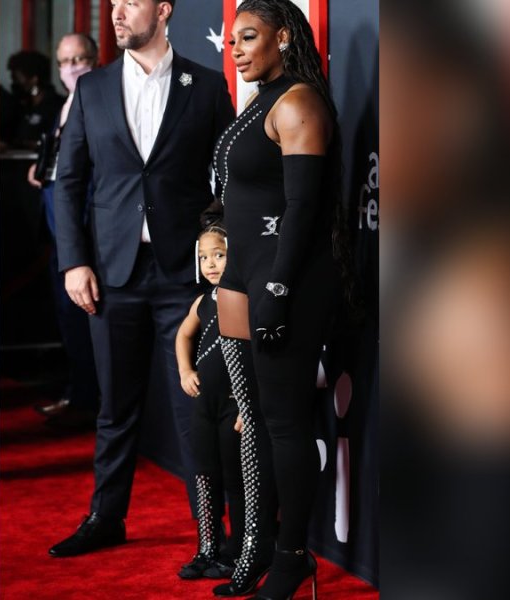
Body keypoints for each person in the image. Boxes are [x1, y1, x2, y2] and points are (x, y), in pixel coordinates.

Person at [47, 0, 235, 558]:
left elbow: (225, 175)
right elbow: (70, 182)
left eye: (131, 2)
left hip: (184, 277)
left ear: (164, 10)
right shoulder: (94, 89)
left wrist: (215, 247)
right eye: (113, 4)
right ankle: (107, 517)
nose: (117, 13)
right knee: (115, 407)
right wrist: (74, 261)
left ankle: (211, 534)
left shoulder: (204, 86)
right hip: (113, 274)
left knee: (194, 408)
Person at [212, 1, 344, 598]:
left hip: (282, 282)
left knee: (286, 426)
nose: (235, 49)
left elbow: (304, 211)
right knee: (255, 423)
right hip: (242, 276)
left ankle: (293, 557)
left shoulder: (297, 101)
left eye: (249, 37)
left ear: (283, 37)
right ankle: (258, 543)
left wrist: (279, 289)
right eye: (233, 39)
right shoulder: (259, 100)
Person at [27, 33, 101, 421]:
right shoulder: (64, 104)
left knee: (84, 321)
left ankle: (87, 400)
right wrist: (41, 170)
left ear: (96, 58)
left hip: (86, 232)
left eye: (79, 59)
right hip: (58, 231)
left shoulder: (102, 99)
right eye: (64, 61)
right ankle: (78, 394)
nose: (71, 68)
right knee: (67, 321)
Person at [175, 221, 244, 580]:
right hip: (204, 406)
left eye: (219, 254)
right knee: (205, 475)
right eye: (204, 257)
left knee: (236, 478)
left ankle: (238, 549)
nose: (211, 263)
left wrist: (248, 406)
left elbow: (259, 357)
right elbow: (183, 335)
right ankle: (207, 546)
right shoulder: (203, 302)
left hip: (234, 406)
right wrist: (185, 371)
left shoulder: (245, 299)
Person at [6, 50, 64, 150]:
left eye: (17, 78)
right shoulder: (22, 106)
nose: (14, 83)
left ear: (34, 78)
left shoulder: (56, 106)